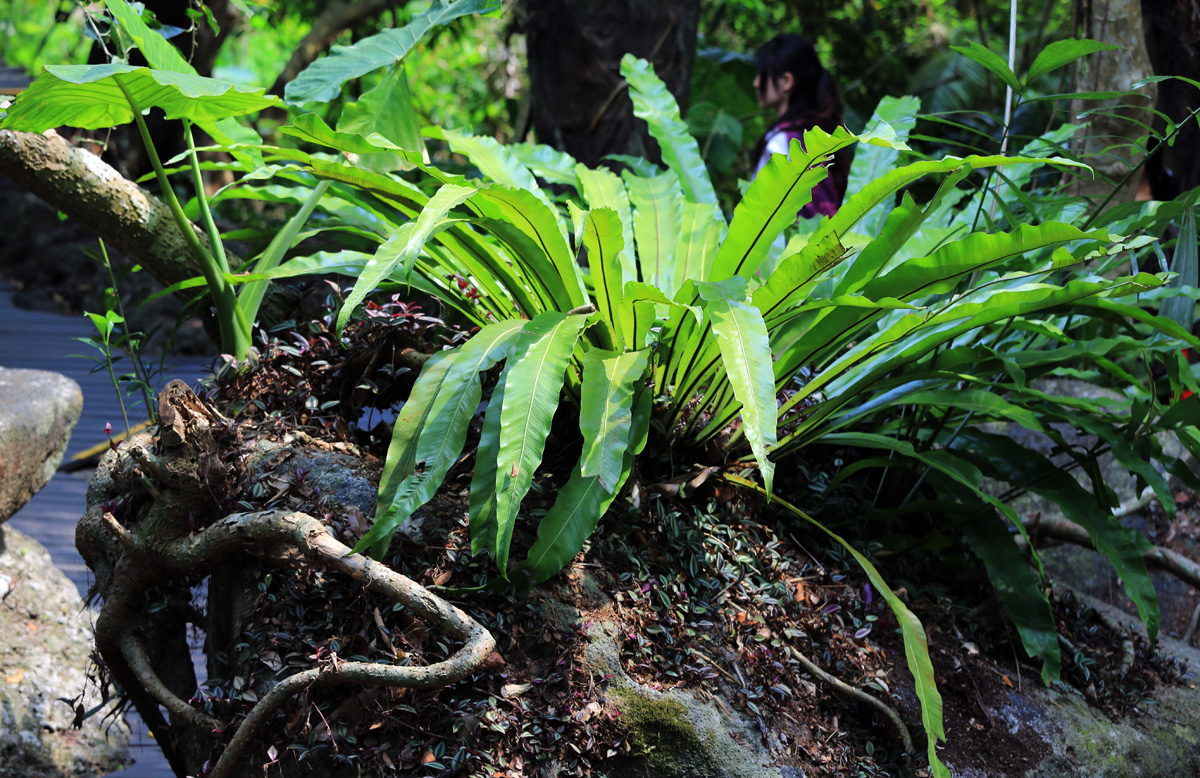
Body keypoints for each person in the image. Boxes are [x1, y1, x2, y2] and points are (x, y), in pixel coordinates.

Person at [751, 34, 850, 218]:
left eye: (762, 74)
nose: (756, 83)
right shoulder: (820, 137)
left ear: (786, 81)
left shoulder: (781, 143)